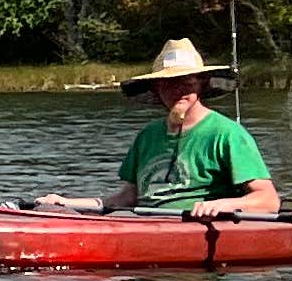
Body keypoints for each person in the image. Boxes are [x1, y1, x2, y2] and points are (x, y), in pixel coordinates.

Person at [39, 39, 277, 216]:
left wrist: (223, 204)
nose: (178, 90)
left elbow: (268, 200)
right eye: (168, 84)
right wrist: (66, 202)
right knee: (50, 210)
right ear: (155, 89)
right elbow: (126, 198)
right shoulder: (148, 136)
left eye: (187, 82)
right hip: (144, 222)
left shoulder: (227, 134)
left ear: (201, 84)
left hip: (196, 227)